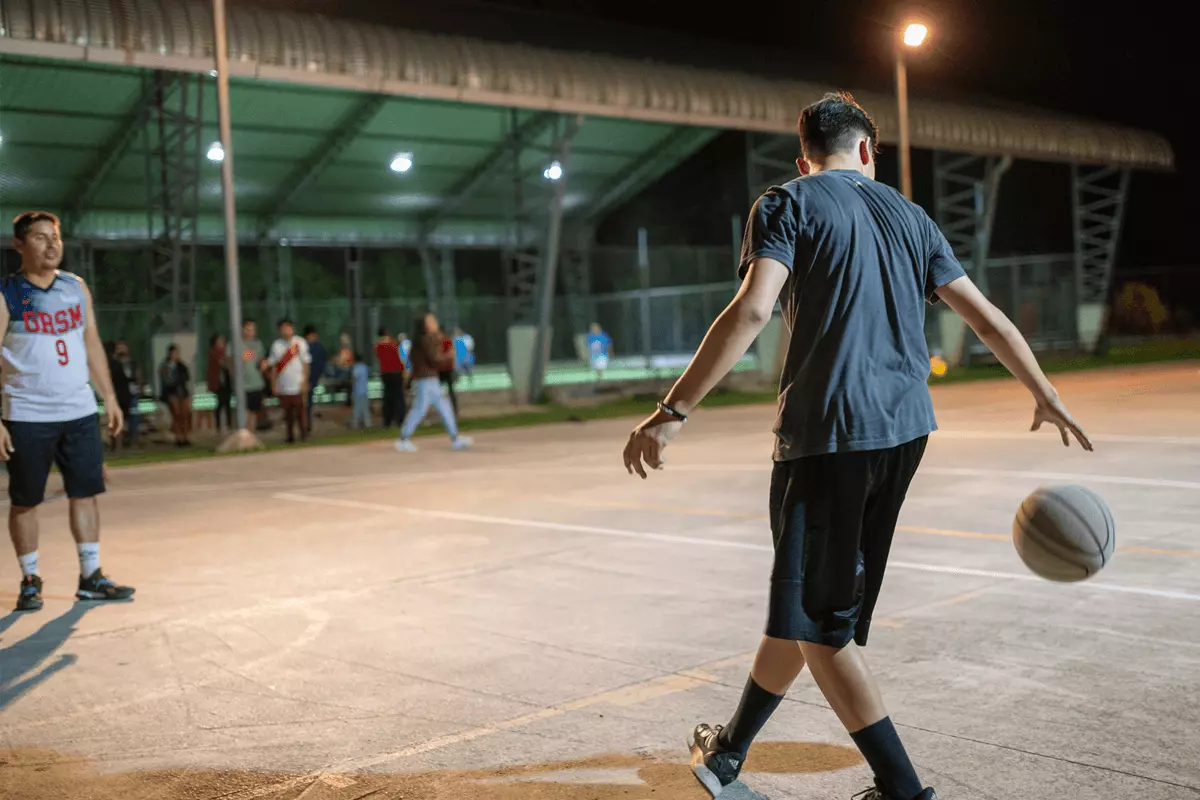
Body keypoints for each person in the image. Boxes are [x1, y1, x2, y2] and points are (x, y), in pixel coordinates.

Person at [621, 93, 1093, 800]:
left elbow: (753, 308)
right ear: (867, 150)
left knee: (820, 625)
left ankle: (903, 789)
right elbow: (987, 319)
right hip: (903, 435)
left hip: (828, 438)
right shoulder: (911, 216)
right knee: (807, 606)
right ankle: (728, 754)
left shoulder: (786, 202)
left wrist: (671, 410)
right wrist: (1043, 389)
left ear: (803, 154)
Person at [0, 210, 134, 612]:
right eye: (40, 238)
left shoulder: (75, 288)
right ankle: (30, 579)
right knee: (25, 500)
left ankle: (91, 577)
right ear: (20, 246)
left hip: (77, 409)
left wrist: (108, 396)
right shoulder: (10, 293)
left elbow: (91, 343)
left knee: (86, 493)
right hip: (26, 412)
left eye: (54, 236)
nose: (51, 244)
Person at [394, 312, 472, 453]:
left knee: (444, 407)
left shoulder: (419, 341)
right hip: (426, 381)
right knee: (420, 409)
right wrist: (448, 356)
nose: (435, 322)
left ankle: (455, 439)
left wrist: (409, 381)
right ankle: (403, 439)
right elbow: (434, 360)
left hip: (427, 380)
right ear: (425, 325)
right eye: (431, 320)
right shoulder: (426, 340)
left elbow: (416, 365)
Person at [267, 318, 311, 444]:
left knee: (301, 411)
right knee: (288, 413)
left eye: (289, 327)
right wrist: (273, 383)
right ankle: (290, 436)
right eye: (283, 328)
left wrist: (304, 381)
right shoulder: (276, 345)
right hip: (284, 385)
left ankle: (304, 434)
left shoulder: (300, 343)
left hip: (298, 383)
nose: (286, 330)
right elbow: (274, 366)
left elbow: (306, 363)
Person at [230, 319, 267, 432]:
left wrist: (263, 366)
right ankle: (242, 433)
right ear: (243, 329)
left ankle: (251, 434)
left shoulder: (258, 344)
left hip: (256, 383)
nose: (251, 331)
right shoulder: (235, 344)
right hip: (242, 384)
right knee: (243, 411)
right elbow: (229, 362)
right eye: (248, 329)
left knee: (253, 411)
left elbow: (261, 360)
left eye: (253, 329)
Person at [158, 344, 192, 447]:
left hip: (182, 392)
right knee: (176, 414)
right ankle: (178, 437)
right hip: (172, 392)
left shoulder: (181, 365)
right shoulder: (165, 366)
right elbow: (166, 380)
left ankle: (186, 436)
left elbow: (187, 376)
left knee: (185, 415)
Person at [112, 339, 141, 447]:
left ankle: (133, 442)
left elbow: (138, 377)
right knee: (117, 419)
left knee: (134, 418)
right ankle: (118, 445)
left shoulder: (132, 363)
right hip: (118, 394)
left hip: (132, 394)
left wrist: (139, 389)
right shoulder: (113, 363)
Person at [375, 327, 406, 428]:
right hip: (396, 372)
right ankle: (400, 419)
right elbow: (400, 358)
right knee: (398, 397)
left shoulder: (378, 346)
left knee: (387, 397)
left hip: (385, 373)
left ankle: (387, 420)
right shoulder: (393, 345)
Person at [206, 332, 232, 433]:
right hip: (219, 382)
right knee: (221, 402)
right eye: (220, 341)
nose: (222, 342)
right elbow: (221, 363)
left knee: (227, 403)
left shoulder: (225, 351)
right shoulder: (214, 353)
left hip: (226, 381)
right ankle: (219, 425)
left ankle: (228, 424)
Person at [303, 324, 327, 432]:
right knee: (305, 403)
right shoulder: (305, 347)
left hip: (310, 378)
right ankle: (306, 424)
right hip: (307, 378)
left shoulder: (314, 347)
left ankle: (306, 425)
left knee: (307, 403)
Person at [437, 330, 459, 417]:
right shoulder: (436, 342)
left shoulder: (446, 340)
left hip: (447, 369)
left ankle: (454, 410)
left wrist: (442, 357)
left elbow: (452, 353)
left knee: (451, 390)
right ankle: (445, 410)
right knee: (437, 391)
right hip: (440, 370)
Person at [350, 352, 371, 429]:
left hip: (358, 391)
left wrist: (352, 390)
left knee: (357, 408)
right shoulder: (365, 367)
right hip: (364, 390)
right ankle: (367, 423)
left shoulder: (356, 367)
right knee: (365, 408)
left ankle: (356, 424)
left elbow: (354, 378)